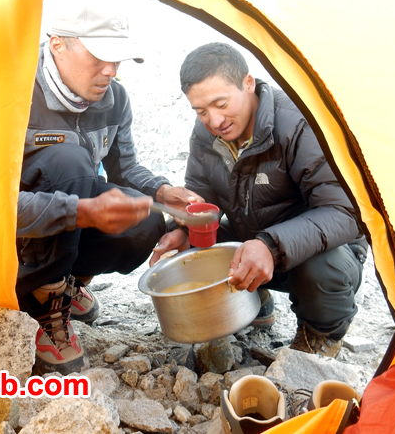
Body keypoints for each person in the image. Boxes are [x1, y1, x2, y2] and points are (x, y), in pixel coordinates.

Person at [16, 0, 201, 375]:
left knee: (145, 223)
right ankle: (40, 298)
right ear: (57, 44)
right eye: (99, 57)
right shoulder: (13, 95)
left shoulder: (114, 100)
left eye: (117, 60)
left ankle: (64, 286)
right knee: (69, 160)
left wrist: (163, 191)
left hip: (68, 209)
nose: (110, 71)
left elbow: (124, 168)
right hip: (9, 238)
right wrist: (82, 211)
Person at [151, 42, 368, 357]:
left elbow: (346, 212)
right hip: (256, 242)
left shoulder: (299, 124)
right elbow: (202, 197)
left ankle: (320, 333)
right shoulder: (206, 133)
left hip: (322, 253)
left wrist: (269, 245)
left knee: (323, 268)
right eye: (200, 111)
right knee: (195, 245)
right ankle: (253, 301)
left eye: (221, 103)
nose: (213, 120)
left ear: (248, 84)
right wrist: (183, 229)